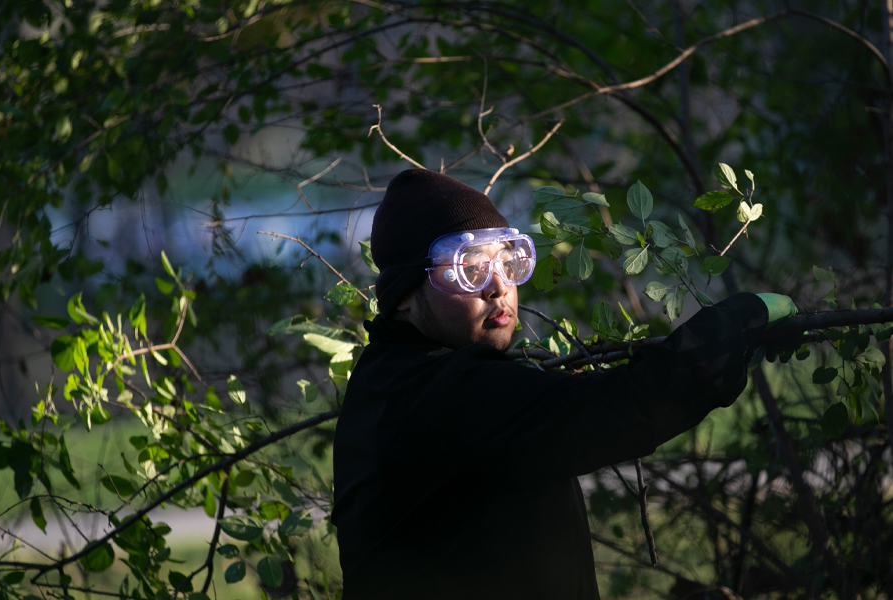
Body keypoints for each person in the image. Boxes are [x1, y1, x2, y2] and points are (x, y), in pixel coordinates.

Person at [331, 168, 794, 599]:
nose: (498, 287)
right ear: (405, 298)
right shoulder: (437, 394)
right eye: (469, 269)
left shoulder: (388, 381)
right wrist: (736, 323)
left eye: (509, 262)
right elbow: (620, 408)